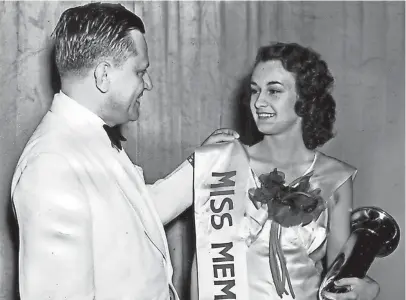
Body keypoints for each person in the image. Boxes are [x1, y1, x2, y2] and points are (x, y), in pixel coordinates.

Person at [10, 3, 237, 300]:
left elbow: (136, 215)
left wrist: (201, 164)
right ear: (104, 75)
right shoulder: (51, 165)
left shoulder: (87, 139)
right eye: (140, 72)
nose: (149, 83)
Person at [190, 42, 380, 300]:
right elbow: (202, 269)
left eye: (274, 91)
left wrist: (365, 291)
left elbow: (337, 283)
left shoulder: (336, 178)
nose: (259, 102)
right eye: (255, 91)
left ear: (305, 98)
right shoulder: (225, 163)